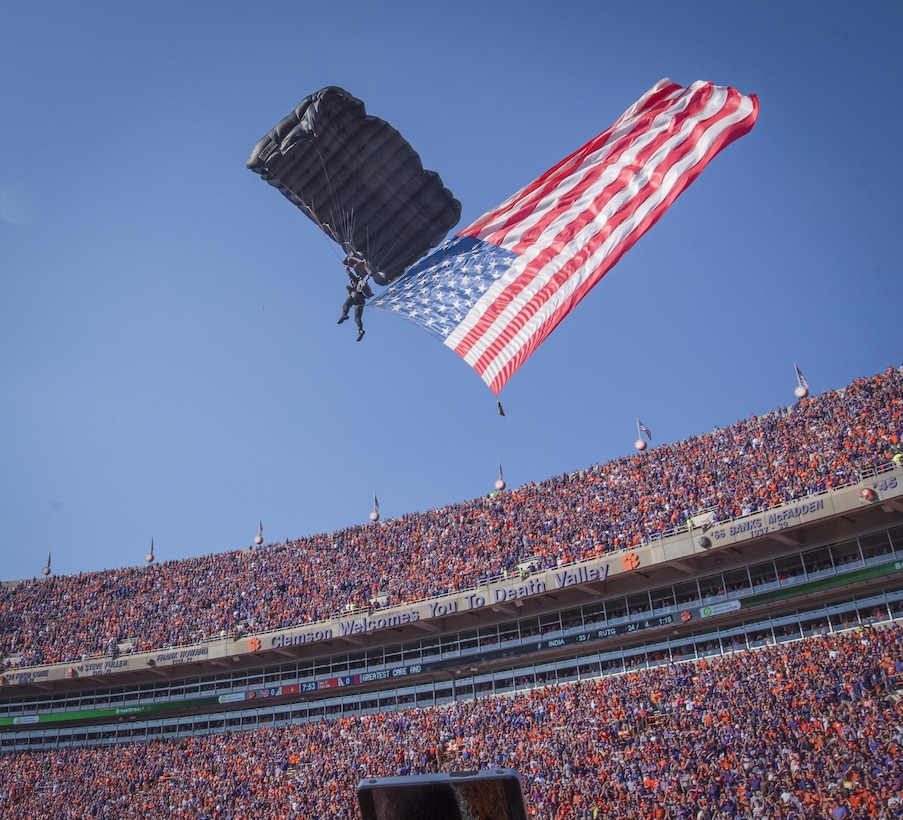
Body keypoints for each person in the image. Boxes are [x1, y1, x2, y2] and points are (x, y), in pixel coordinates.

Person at [338, 253, 373, 341]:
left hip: (356, 296)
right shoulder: (358, 283)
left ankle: (344, 315)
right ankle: (360, 330)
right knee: (357, 318)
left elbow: (350, 275)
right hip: (360, 302)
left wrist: (347, 268)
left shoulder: (356, 280)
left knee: (345, 306)